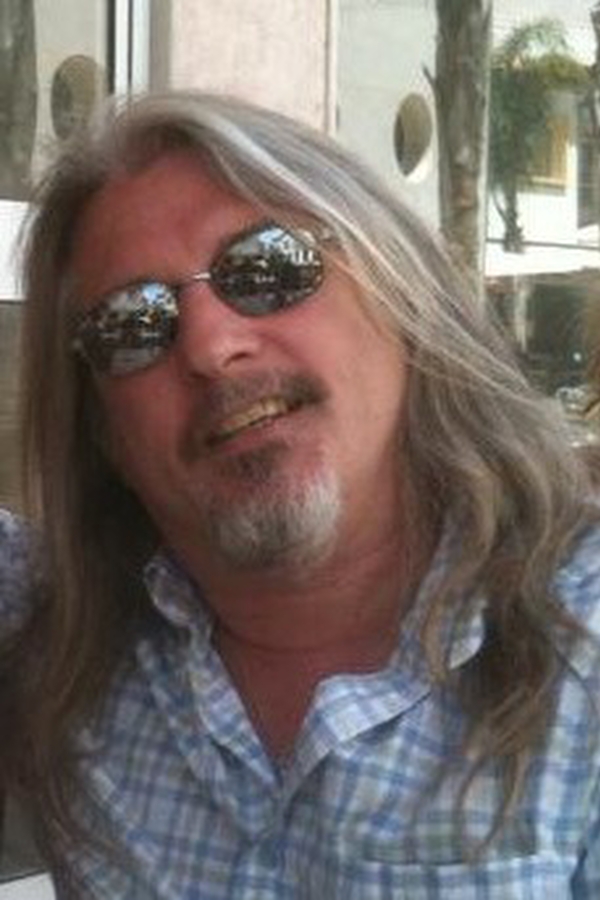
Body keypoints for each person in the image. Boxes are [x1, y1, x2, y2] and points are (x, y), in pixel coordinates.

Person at [1, 90, 600, 899]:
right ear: (103, 429)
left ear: (399, 291)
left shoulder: (580, 639)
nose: (210, 345)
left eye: (268, 267)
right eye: (131, 324)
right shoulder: (59, 637)